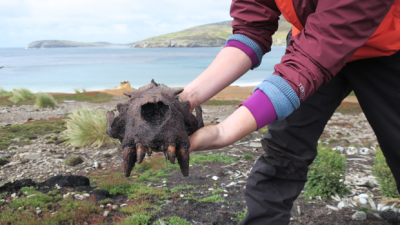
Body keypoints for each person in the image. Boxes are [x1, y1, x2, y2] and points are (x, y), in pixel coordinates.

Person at [179, 0, 400, 224]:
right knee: (282, 150)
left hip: (388, 46)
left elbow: (329, 39)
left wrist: (224, 132)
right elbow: (252, 27)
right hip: (309, 43)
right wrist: (187, 97)